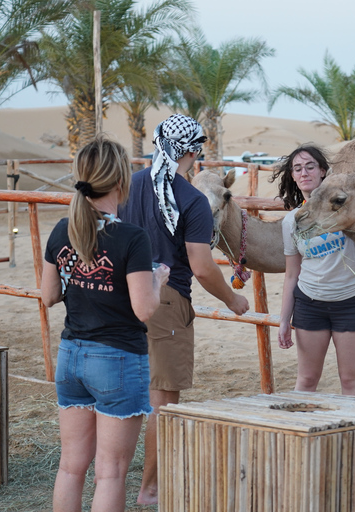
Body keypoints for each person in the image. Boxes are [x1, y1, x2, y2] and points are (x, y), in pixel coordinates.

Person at [118, 113, 250, 505]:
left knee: (125, 394)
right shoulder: (190, 198)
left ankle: (115, 479)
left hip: (120, 295)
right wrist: (233, 299)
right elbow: (201, 266)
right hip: (166, 301)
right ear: (192, 151)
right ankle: (150, 490)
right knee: (163, 402)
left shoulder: (127, 185)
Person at [41, 136, 170, 512]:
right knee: (111, 472)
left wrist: (80, 275)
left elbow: (48, 295)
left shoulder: (63, 229)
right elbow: (144, 309)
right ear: (120, 182)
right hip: (116, 359)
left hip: (71, 356)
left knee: (70, 466)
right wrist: (157, 280)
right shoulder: (131, 237)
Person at [273, 144, 355, 396]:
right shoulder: (292, 221)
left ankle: (353, 436)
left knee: (350, 381)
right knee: (306, 379)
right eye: (297, 168)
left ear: (323, 171)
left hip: (352, 302)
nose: (304, 172)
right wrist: (284, 320)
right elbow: (291, 275)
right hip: (310, 305)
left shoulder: (345, 204)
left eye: (310, 166)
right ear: (292, 176)